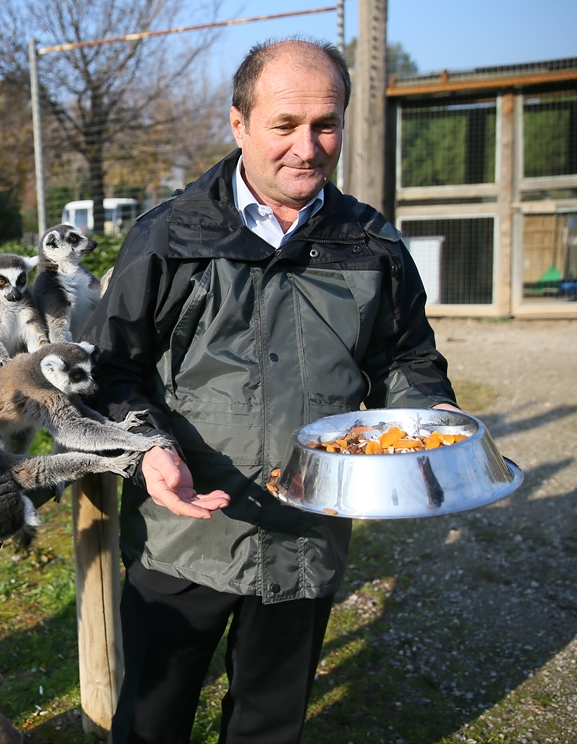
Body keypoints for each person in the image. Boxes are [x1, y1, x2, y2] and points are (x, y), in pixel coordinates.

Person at [82, 38, 458, 744]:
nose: (308, 147)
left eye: (326, 124)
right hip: (184, 535)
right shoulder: (169, 239)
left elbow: (407, 356)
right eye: (285, 125)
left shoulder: (371, 244)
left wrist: (429, 414)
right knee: (151, 721)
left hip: (307, 536)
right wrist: (150, 451)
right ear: (239, 124)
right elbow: (112, 374)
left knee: (269, 725)